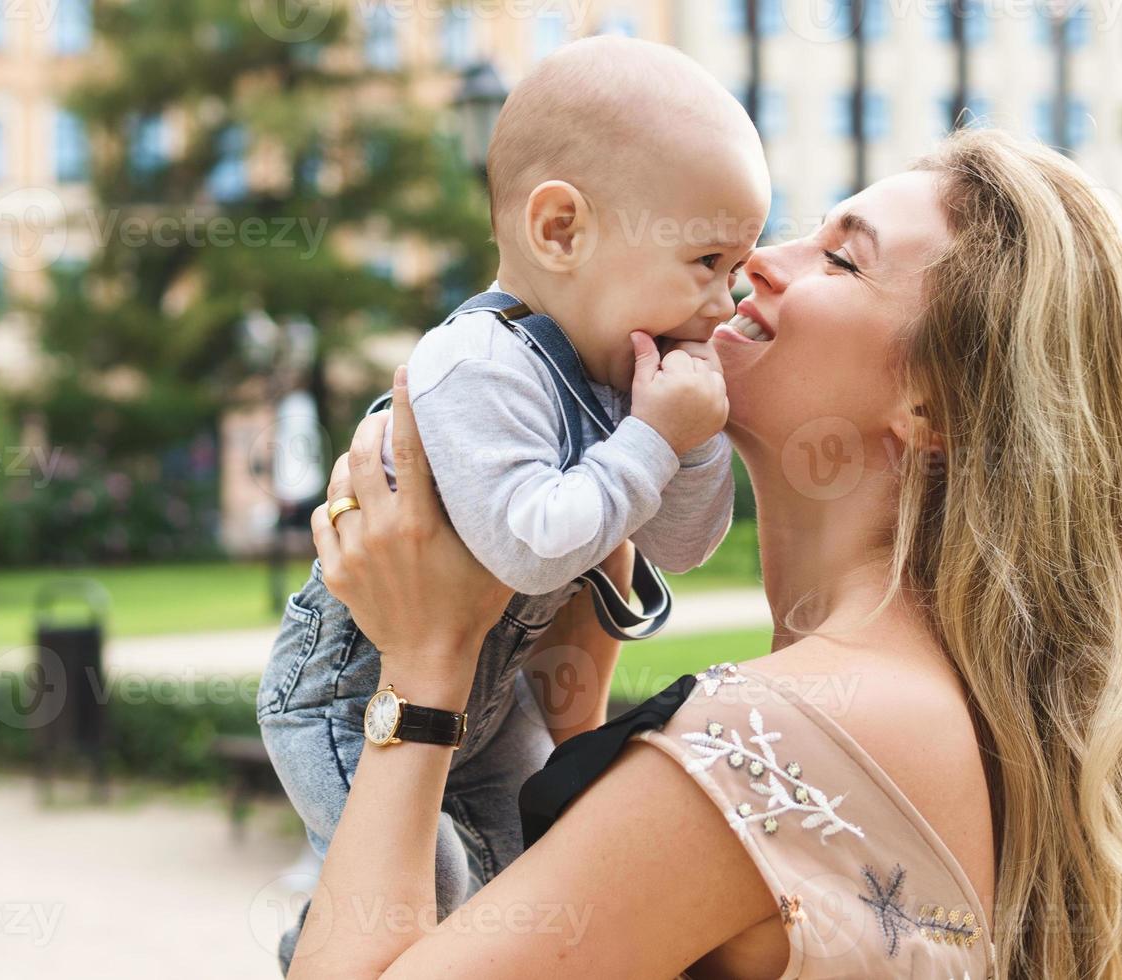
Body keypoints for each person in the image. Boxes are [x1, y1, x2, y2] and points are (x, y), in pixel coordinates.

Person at [287, 127, 1122, 979]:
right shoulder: (939, 698)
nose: (759, 259)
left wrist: (421, 670)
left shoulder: (779, 736)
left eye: (839, 260)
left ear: (930, 401)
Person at [257, 36, 769, 971]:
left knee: (540, 871)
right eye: (704, 260)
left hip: (490, 701)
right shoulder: (479, 364)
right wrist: (651, 441)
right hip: (341, 697)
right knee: (432, 882)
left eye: (736, 265)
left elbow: (682, 544)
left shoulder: (615, 374)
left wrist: (688, 441)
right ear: (560, 231)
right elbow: (530, 549)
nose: (724, 298)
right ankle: (310, 953)